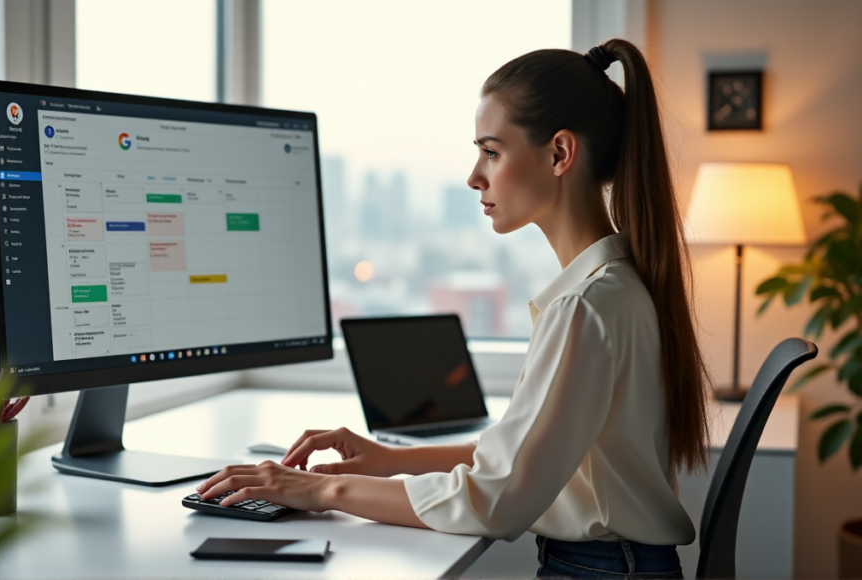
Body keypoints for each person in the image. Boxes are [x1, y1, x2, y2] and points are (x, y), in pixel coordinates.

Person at [196, 38, 710, 579]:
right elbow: (515, 453)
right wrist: (388, 459)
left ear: (559, 153)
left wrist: (323, 488)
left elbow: (495, 498)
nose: (474, 176)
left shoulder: (586, 307)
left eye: (491, 151)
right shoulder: (613, 287)